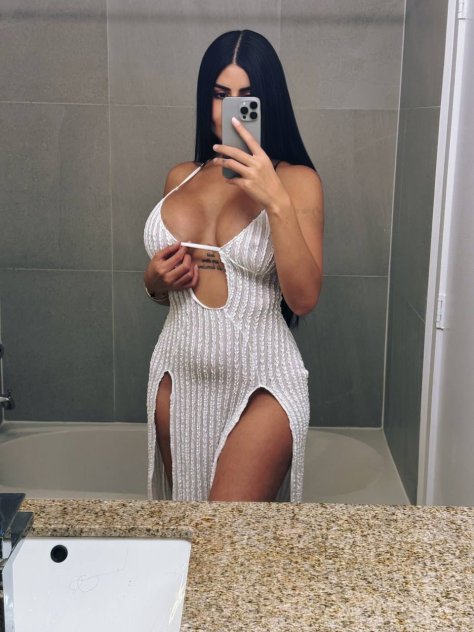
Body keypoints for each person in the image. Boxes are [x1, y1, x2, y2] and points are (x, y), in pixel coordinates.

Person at [143, 29, 324, 502]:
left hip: (262, 384)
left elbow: (304, 298)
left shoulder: (296, 182)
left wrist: (274, 200)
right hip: (178, 375)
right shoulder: (181, 177)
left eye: (247, 96)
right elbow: (172, 287)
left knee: (223, 535)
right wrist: (154, 281)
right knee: (187, 525)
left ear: (269, 103)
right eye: (221, 94)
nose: (231, 109)